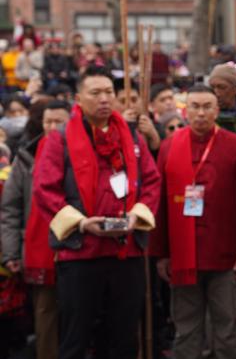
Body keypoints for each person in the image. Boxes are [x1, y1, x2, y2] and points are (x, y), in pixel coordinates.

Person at [32, 67, 161, 359]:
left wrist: (136, 217)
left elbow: (151, 181)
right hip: (80, 254)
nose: (104, 99)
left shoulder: (130, 135)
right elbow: (44, 190)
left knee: (123, 338)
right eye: (95, 93)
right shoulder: (60, 138)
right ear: (79, 98)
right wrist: (80, 223)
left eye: (108, 93)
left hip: (125, 250)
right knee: (76, 339)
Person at [151, 85, 236, 359]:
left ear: (217, 110)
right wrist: (161, 253)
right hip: (182, 253)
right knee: (186, 328)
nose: (200, 113)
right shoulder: (168, 146)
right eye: (195, 106)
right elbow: (160, 204)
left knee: (226, 328)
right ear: (185, 110)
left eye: (207, 106)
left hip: (224, 251)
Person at [0, 100, 71, 359]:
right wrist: (10, 252)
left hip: (80, 250)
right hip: (38, 251)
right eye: (48, 122)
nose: (53, 127)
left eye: (59, 122)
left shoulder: (82, 152)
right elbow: (10, 209)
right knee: (46, 318)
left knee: (80, 319)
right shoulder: (27, 156)